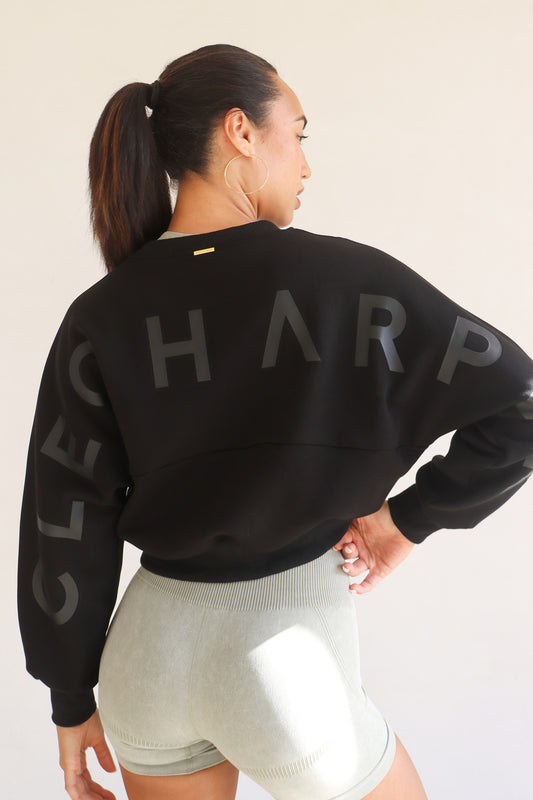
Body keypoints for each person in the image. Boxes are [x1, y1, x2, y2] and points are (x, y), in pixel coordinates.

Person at [17, 43, 533, 800]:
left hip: (147, 666)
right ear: (241, 131)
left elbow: (63, 517)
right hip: (284, 662)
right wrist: (408, 520)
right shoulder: (347, 281)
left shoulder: (100, 315)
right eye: (297, 132)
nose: (306, 164)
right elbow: (522, 403)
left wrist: (69, 699)